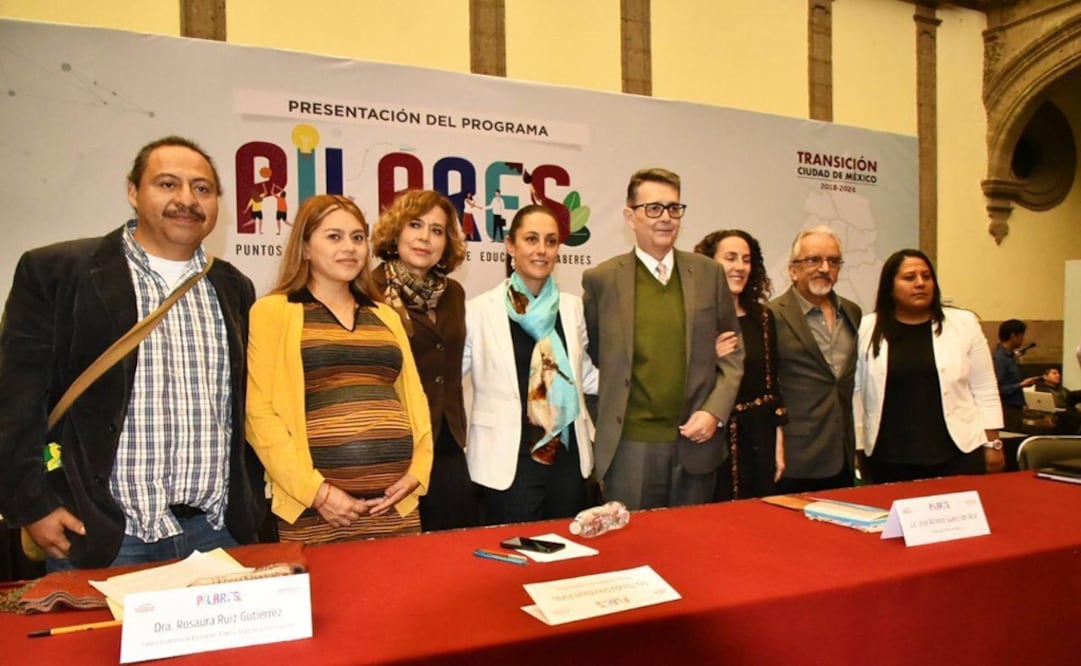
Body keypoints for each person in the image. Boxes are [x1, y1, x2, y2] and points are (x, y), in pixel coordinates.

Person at [0, 136, 266, 568]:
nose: (186, 200)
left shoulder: (233, 286)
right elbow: (15, 402)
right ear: (132, 192)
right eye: (167, 184)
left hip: (216, 530)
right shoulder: (58, 272)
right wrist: (31, 505)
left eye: (202, 189)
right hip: (104, 533)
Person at [246, 194, 433, 544]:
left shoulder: (386, 315)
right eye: (334, 237)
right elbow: (259, 415)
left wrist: (417, 474)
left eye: (357, 237)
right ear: (304, 248)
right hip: (316, 510)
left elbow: (415, 402)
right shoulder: (272, 312)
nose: (349, 248)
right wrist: (318, 493)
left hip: (395, 507)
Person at [583, 168, 744, 510]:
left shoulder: (708, 274)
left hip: (696, 441)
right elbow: (597, 358)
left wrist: (714, 412)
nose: (665, 218)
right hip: (630, 448)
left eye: (674, 208)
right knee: (633, 549)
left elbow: (733, 355)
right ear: (630, 216)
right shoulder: (602, 281)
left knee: (692, 551)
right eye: (653, 208)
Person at [463, 204, 596, 524]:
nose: (542, 250)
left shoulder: (572, 308)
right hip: (508, 460)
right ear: (511, 245)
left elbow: (586, 376)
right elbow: (446, 376)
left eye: (551, 241)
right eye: (531, 239)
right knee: (516, 560)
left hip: (567, 457)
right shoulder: (478, 311)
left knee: (569, 559)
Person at [370, 189, 483, 531]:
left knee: (452, 550)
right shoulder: (368, 290)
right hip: (395, 445)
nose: (425, 238)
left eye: (437, 230)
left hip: (447, 441)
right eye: (415, 225)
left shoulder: (454, 294)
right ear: (396, 232)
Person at [854, 249, 1005, 481]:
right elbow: (856, 392)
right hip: (889, 457)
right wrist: (857, 447)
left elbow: (984, 386)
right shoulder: (867, 327)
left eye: (926, 276)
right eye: (909, 277)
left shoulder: (963, 323)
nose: (920, 283)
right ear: (890, 287)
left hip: (958, 452)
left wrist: (993, 443)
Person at [769, 225, 862, 493]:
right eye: (813, 260)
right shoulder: (771, 316)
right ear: (792, 269)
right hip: (794, 456)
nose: (824, 268)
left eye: (833, 261)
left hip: (841, 451)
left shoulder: (852, 313)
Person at [695, 230, 786, 499]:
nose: (740, 267)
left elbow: (773, 388)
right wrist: (708, 358)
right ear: (709, 264)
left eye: (746, 260)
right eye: (731, 258)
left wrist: (778, 442)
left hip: (760, 439)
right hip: (712, 440)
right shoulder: (695, 317)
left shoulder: (764, 317)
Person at [992, 319, 1038, 431]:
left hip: (1015, 407)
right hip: (1007, 409)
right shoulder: (1000, 358)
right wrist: (1021, 385)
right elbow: (997, 388)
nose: (1023, 339)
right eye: (1022, 336)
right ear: (1013, 336)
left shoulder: (1011, 356)